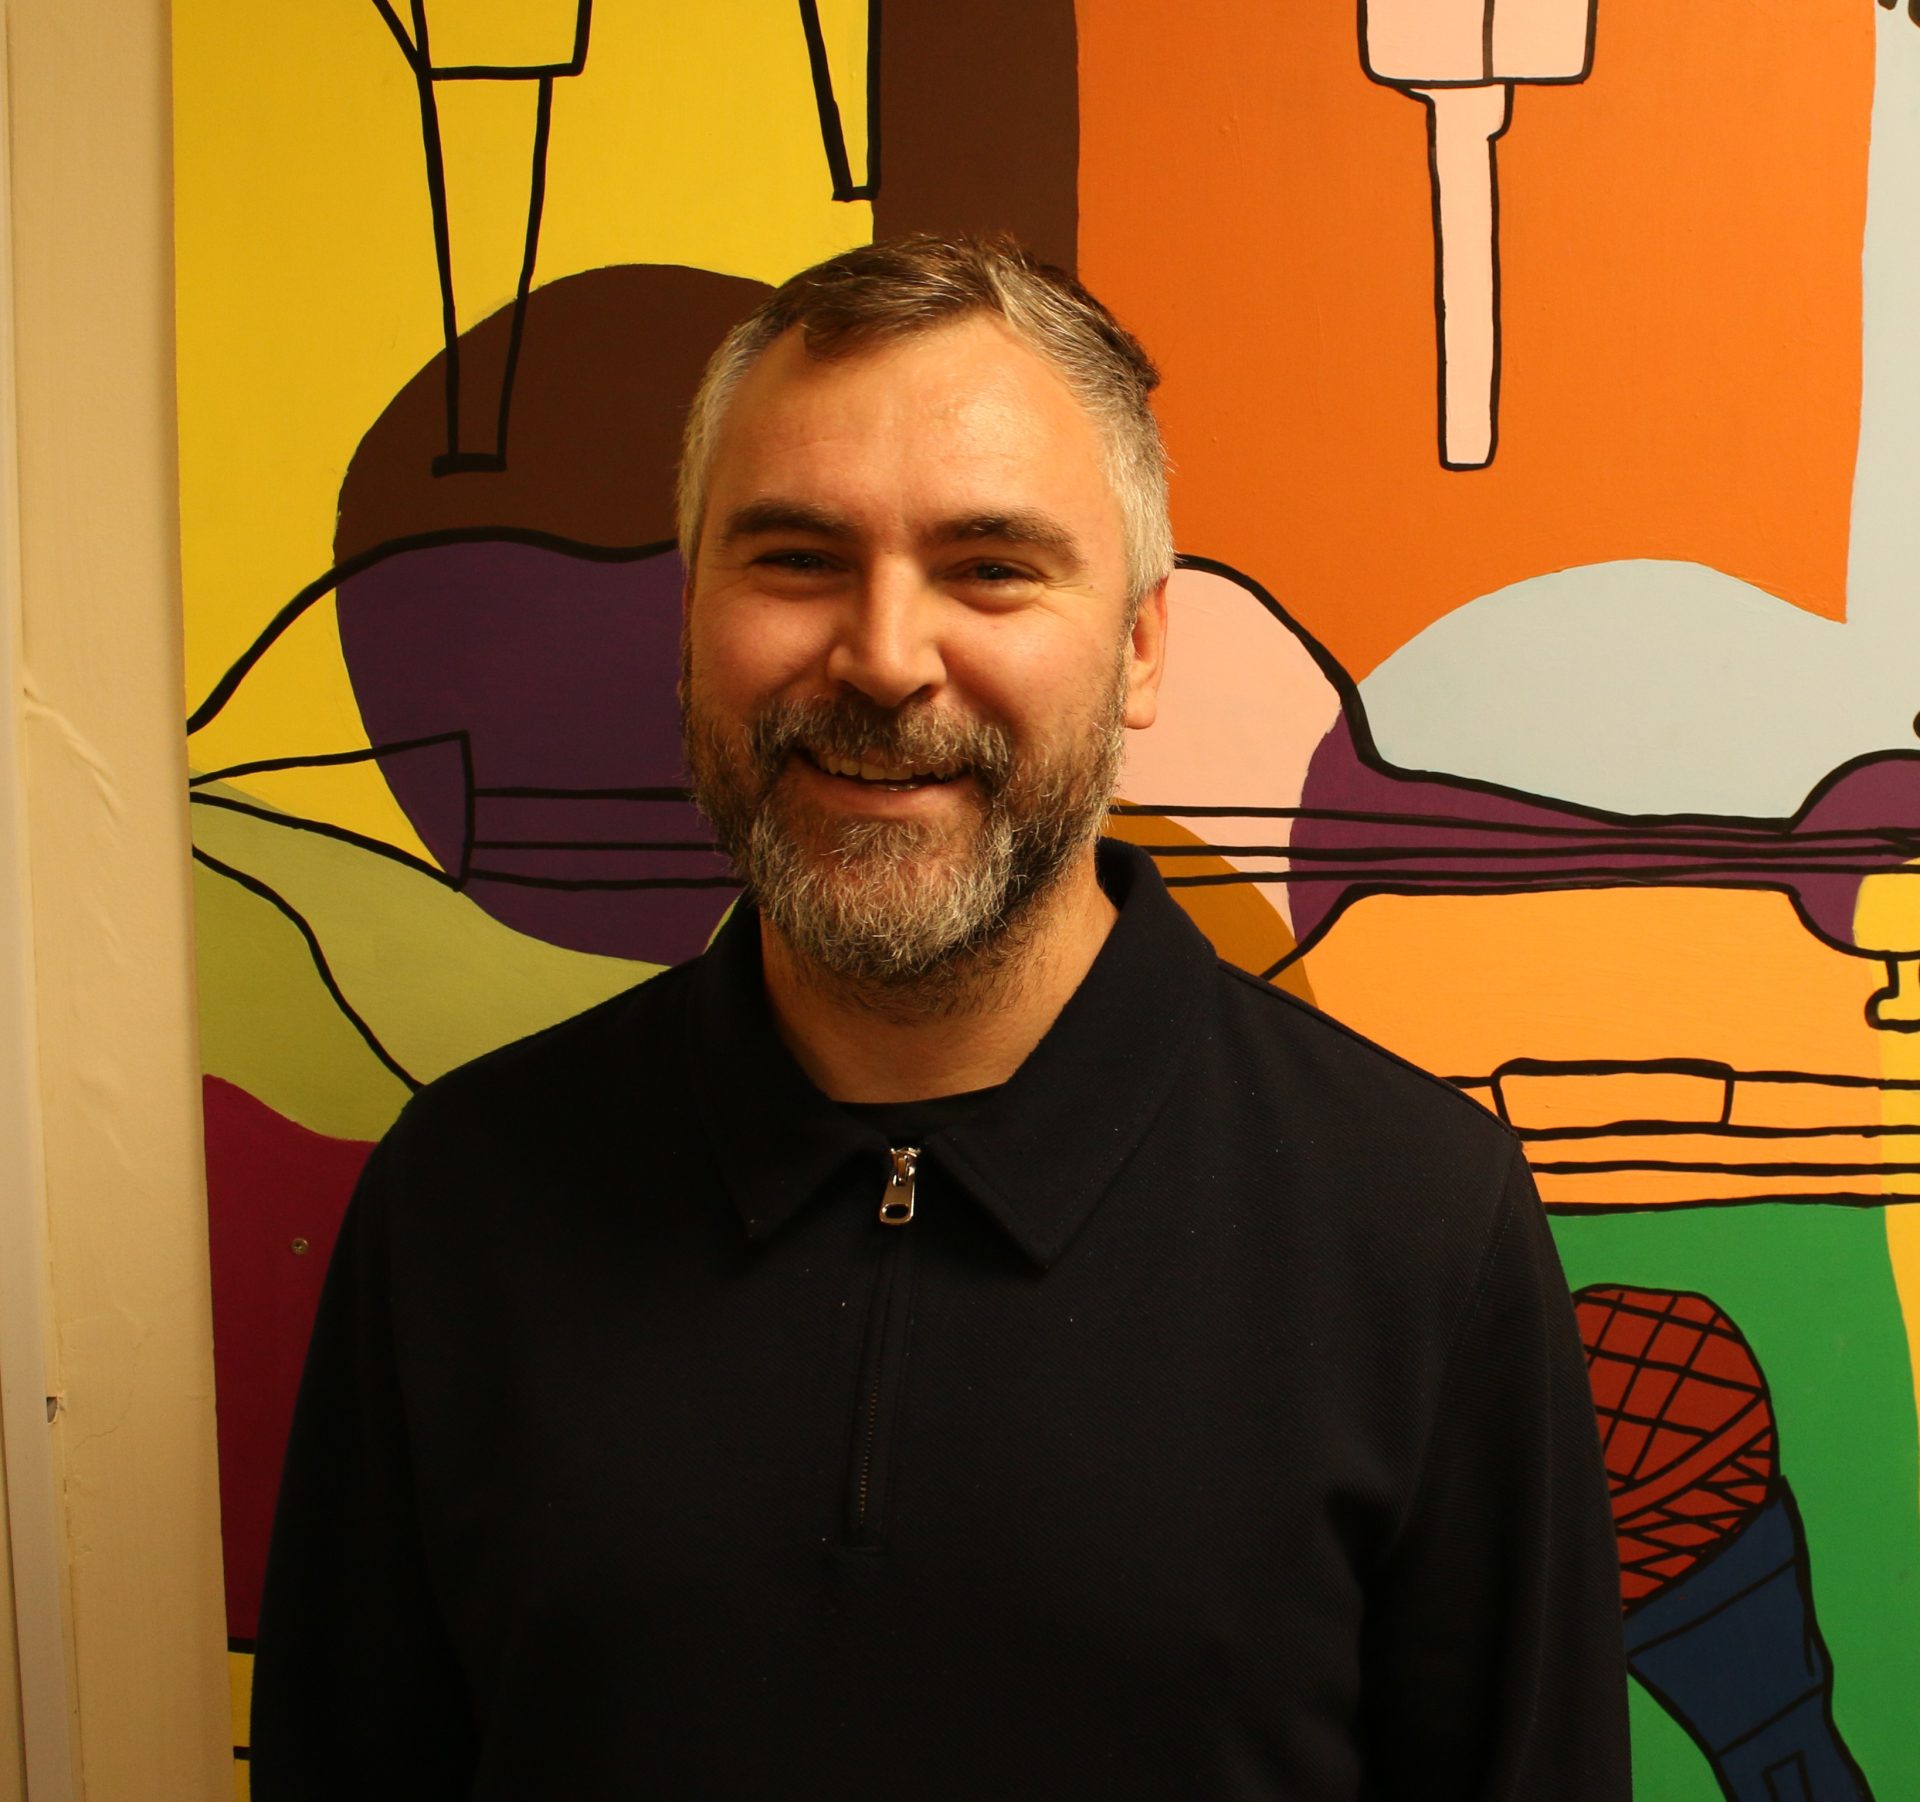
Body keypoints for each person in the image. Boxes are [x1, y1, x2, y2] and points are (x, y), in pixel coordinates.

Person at [250, 234, 1630, 1799]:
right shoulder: (460, 1200)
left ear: (1139, 648)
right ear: (689, 621)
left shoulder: (1420, 1222)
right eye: (795, 558)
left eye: (989, 567)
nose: (886, 658)